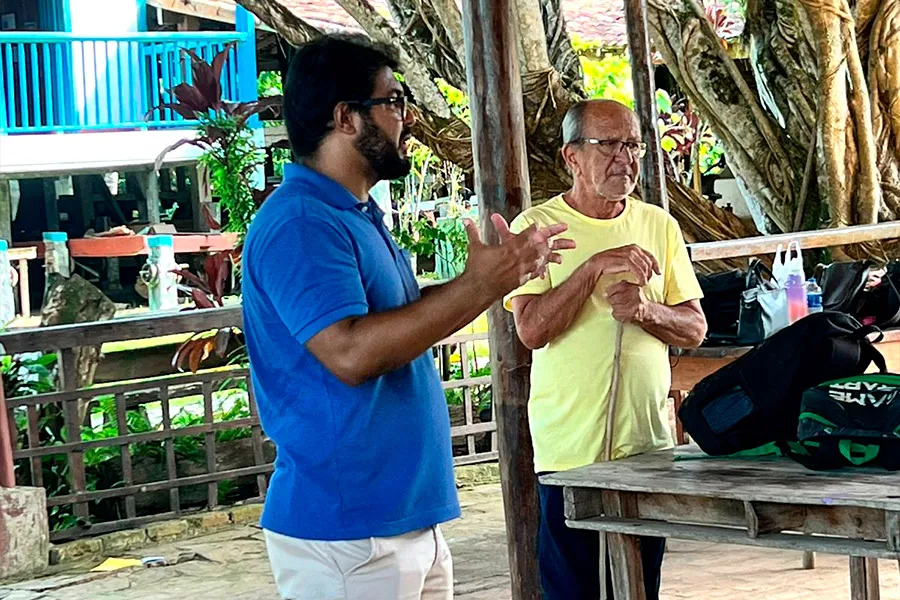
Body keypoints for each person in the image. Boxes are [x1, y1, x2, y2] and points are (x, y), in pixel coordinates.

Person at [241, 34, 573, 600]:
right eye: (393, 102)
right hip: (348, 527)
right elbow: (349, 352)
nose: (408, 119)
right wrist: (479, 286)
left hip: (400, 517)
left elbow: (401, 317)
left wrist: (494, 278)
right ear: (346, 117)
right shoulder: (302, 221)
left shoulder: (356, 213)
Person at [505, 99, 708, 599]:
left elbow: (694, 328)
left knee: (639, 587)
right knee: (573, 589)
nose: (626, 157)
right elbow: (531, 330)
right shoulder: (537, 228)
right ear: (571, 157)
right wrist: (593, 267)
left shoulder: (659, 225)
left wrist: (646, 312)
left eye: (634, 144)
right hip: (570, 449)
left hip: (644, 445)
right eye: (609, 144)